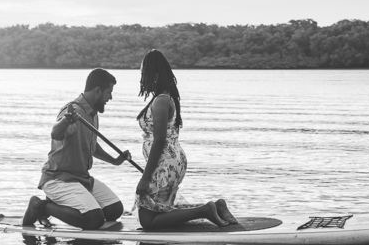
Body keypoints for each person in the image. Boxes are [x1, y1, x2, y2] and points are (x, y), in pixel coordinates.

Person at [134, 49, 238, 229]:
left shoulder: (160, 101)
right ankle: (216, 208)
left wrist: (145, 177)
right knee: (163, 208)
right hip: (172, 161)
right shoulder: (167, 98)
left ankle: (204, 210)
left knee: (148, 221)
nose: (142, 79)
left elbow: (159, 141)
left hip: (163, 163)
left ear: (155, 75)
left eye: (145, 74)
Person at [22, 68, 132, 230]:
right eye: (109, 92)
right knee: (95, 220)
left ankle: (60, 203)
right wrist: (66, 121)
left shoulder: (92, 113)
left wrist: (115, 161)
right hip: (59, 179)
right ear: (97, 91)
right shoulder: (73, 111)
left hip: (82, 178)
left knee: (114, 210)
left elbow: (92, 146)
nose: (110, 97)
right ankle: (40, 206)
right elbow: (56, 133)